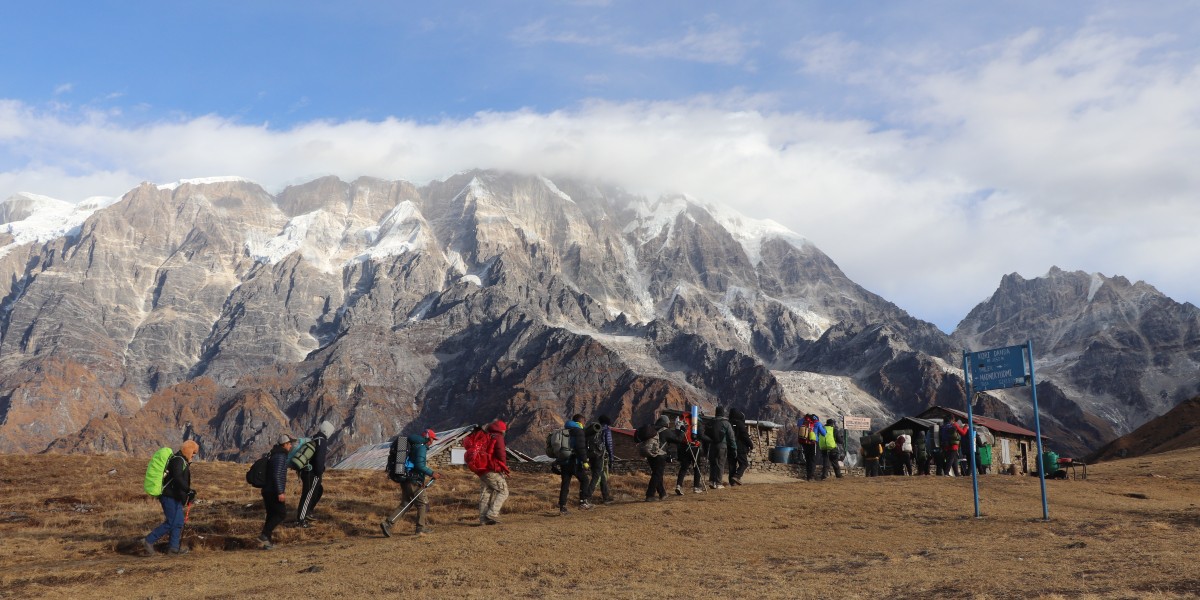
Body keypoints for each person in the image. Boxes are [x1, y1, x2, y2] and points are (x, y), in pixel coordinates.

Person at [143, 440, 199, 556]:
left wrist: (187, 494)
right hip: (169, 496)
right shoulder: (178, 460)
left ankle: (173, 548)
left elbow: (178, 480)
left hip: (175, 497)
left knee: (178, 522)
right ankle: (148, 540)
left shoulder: (181, 460)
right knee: (172, 522)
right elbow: (178, 478)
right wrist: (188, 490)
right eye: (194, 452)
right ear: (188, 450)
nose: (194, 455)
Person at [395, 429, 440, 535]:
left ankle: (387, 523)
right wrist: (432, 473)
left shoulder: (413, 446)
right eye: (433, 439)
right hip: (413, 480)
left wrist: (422, 479)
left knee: (406, 503)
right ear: (429, 438)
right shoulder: (421, 447)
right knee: (422, 503)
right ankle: (420, 528)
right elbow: (419, 465)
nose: (433, 441)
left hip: (405, 477)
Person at [295, 420, 335, 527]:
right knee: (308, 495)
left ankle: (307, 512)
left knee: (318, 490)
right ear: (328, 432)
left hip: (306, 471)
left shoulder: (314, 438)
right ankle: (301, 520)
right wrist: (319, 472)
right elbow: (319, 460)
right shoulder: (322, 441)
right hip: (312, 473)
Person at [259, 434, 295, 550]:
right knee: (281, 513)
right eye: (289, 444)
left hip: (267, 490)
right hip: (273, 491)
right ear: (284, 444)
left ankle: (267, 543)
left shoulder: (274, 454)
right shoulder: (280, 456)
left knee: (271, 515)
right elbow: (277, 475)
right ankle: (265, 534)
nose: (291, 446)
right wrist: (280, 492)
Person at [557, 415, 593, 515]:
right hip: (574, 462)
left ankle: (562, 507)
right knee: (585, 480)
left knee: (565, 484)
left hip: (564, 461)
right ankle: (583, 502)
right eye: (584, 421)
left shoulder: (565, 430)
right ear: (581, 421)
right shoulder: (579, 431)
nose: (585, 423)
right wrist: (585, 461)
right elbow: (581, 448)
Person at [478, 420, 510, 525]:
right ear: (502, 429)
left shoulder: (485, 436)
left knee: (486, 493)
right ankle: (492, 513)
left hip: (481, 469)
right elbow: (501, 453)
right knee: (503, 491)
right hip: (492, 469)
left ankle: (483, 519)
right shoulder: (498, 437)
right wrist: (503, 466)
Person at [674, 409, 707, 495]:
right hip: (694, 447)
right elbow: (701, 435)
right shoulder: (697, 422)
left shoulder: (682, 420)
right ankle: (696, 487)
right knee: (697, 467)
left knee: (684, 467)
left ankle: (678, 485)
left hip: (684, 446)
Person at [585, 415, 615, 504]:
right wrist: (611, 459)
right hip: (600, 455)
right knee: (596, 476)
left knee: (602, 476)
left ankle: (606, 497)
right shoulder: (606, 430)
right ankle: (586, 497)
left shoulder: (594, 429)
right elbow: (609, 445)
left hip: (591, 455)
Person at [641, 416, 671, 501]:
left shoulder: (652, 428)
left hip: (649, 454)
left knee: (657, 474)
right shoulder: (664, 431)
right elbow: (678, 439)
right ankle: (650, 495)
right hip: (658, 454)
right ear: (665, 422)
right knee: (657, 474)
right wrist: (680, 430)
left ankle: (662, 493)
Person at [706, 406, 737, 489]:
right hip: (722, 446)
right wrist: (734, 448)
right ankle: (719, 483)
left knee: (713, 463)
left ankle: (712, 482)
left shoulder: (711, 422)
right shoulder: (726, 423)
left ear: (716, 412)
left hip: (712, 445)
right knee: (720, 464)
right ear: (723, 413)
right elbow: (731, 437)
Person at [727, 408, 753, 486]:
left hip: (730, 447)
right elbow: (745, 436)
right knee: (744, 463)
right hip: (740, 447)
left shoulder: (728, 423)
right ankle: (737, 476)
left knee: (732, 465)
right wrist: (750, 445)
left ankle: (732, 482)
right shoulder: (740, 424)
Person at [796, 414, 819, 481]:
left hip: (804, 442)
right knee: (813, 459)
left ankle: (808, 476)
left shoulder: (801, 421)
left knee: (807, 459)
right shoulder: (816, 423)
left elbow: (798, 425)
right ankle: (811, 476)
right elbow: (823, 433)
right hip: (812, 442)